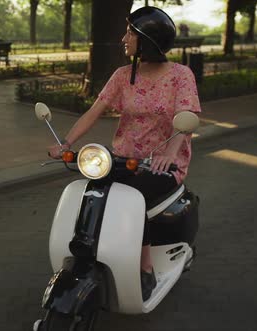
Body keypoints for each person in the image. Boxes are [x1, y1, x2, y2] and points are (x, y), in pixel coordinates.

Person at [47, 6, 201, 302]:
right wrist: (65, 143)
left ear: (147, 39)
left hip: (160, 163)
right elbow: (94, 112)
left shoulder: (180, 75)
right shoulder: (121, 75)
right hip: (123, 159)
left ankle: (144, 269)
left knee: (134, 197)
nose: (124, 38)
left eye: (130, 32)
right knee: (93, 190)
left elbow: (186, 118)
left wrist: (169, 154)